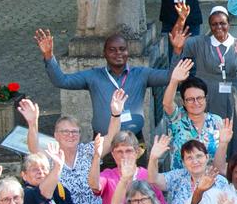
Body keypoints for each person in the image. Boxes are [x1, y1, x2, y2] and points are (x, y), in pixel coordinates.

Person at [36, 29, 171, 136]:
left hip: (134, 141)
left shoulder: (142, 74)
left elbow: (171, 76)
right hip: (103, 141)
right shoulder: (93, 76)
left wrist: (177, 50)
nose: (118, 53)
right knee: (102, 172)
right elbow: (62, 81)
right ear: (104, 53)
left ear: (127, 52)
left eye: (122, 49)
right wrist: (48, 56)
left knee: (137, 172)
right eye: (112, 50)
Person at [172, 5, 237, 121]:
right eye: (214, 24)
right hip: (208, 98)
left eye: (222, 23)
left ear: (229, 24)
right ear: (210, 26)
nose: (219, 27)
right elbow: (176, 39)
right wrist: (181, 20)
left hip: (235, 99)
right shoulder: (199, 43)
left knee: (234, 133)